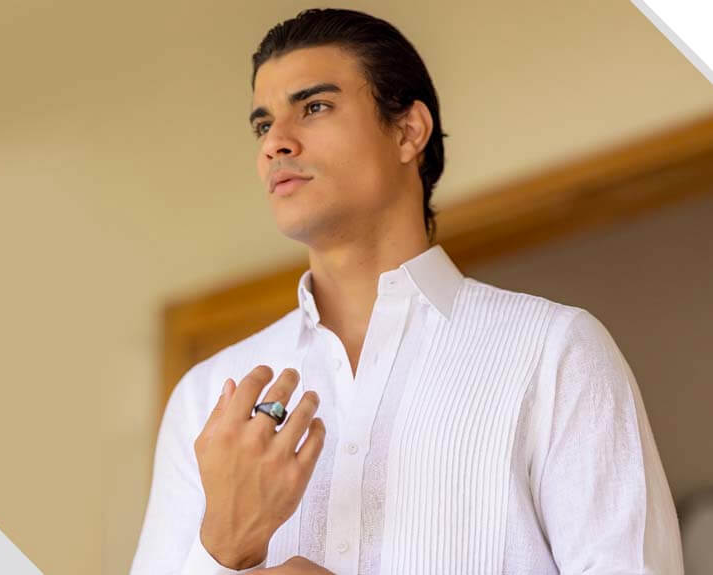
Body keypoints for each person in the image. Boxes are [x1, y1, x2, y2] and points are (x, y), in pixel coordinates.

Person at [129, 8, 683, 575]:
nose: (275, 143)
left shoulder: (554, 354)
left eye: (314, 107)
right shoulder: (205, 399)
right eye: (262, 125)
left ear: (408, 131)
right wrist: (222, 547)